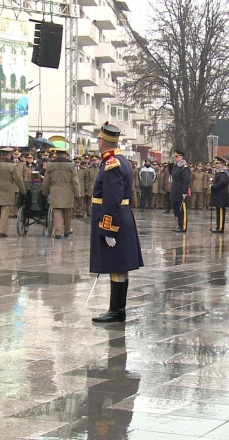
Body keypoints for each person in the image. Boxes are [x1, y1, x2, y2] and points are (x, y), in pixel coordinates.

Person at [91, 122, 143, 323]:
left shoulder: (112, 164)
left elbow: (111, 199)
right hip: (123, 217)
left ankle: (116, 310)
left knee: (116, 265)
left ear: (103, 142)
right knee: (120, 265)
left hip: (115, 219)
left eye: (99, 140)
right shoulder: (122, 161)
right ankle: (118, 309)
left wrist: (109, 229)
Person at [0, 147, 25, 237]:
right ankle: (2, 231)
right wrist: (23, 190)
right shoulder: (12, 166)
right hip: (7, 190)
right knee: (5, 210)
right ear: (9, 155)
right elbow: (18, 179)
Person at [42, 147, 80, 238]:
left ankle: (58, 232)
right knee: (67, 210)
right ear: (65, 155)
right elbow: (75, 181)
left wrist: (44, 191)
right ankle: (67, 230)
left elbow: (46, 180)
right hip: (68, 189)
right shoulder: (71, 165)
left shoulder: (50, 165)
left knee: (57, 210)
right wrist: (77, 194)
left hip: (55, 190)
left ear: (56, 154)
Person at [169, 150, 191, 232]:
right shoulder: (176, 166)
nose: (175, 158)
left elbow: (187, 180)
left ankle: (183, 226)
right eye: (175, 157)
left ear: (181, 157)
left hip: (181, 191)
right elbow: (171, 173)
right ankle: (179, 225)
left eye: (177, 157)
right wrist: (170, 164)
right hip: (175, 190)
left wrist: (184, 192)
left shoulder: (184, 167)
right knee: (177, 210)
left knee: (182, 210)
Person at [209, 156, 229, 233]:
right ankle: (218, 226)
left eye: (217, 163)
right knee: (218, 212)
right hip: (218, 195)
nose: (216, 165)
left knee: (220, 212)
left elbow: (221, 183)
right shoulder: (219, 172)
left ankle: (220, 228)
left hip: (221, 195)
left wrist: (213, 186)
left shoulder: (223, 173)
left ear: (221, 164)